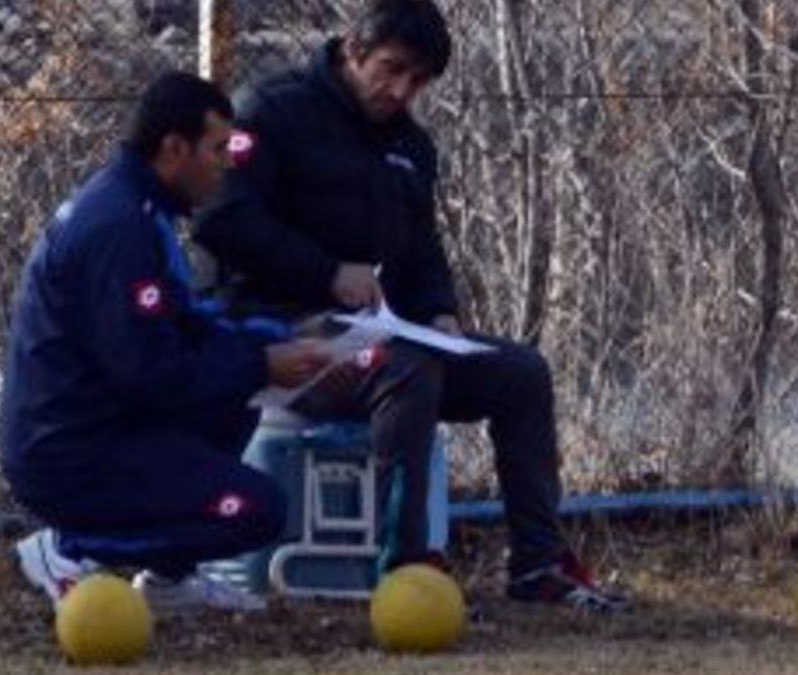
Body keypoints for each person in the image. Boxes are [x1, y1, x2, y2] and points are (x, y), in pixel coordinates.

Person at [195, 0, 629, 612]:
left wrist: (438, 311)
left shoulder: (411, 146)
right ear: (353, 49)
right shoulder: (270, 111)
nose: (401, 91)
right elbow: (220, 220)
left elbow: (421, 248)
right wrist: (326, 273)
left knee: (521, 373)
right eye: (391, 69)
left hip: (372, 335)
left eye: (418, 81)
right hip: (278, 333)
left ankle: (539, 562)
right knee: (405, 368)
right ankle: (404, 568)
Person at [0, 72, 330, 614]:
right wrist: (259, 363)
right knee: (255, 509)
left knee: (237, 391)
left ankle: (167, 579)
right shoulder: (120, 228)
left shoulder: (137, 209)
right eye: (217, 149)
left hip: (98, 424)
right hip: (69, 450)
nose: (227, 164)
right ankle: (71, 548)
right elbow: (148, 370)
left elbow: (180, 325)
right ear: (174, 148)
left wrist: (278, 341)